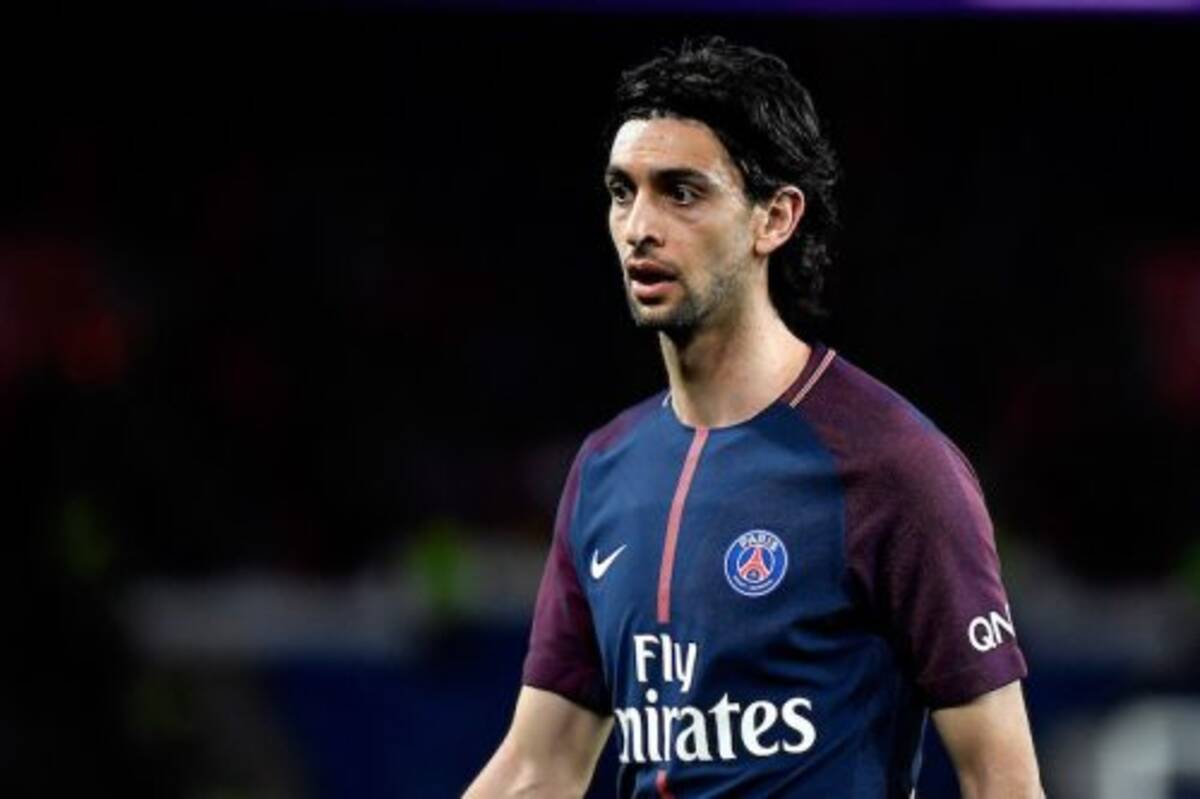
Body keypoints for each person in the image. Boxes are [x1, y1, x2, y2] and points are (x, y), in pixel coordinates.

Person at [466, 37, 1042, 798]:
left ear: (775, 217)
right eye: (622, 191)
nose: (639, 226)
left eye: (681, 192)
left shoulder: (895, 466)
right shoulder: (605, 469)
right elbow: (540, 765)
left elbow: (1002, 778)